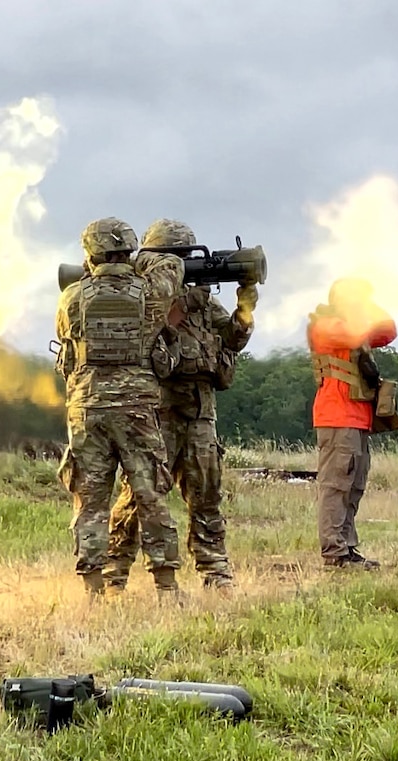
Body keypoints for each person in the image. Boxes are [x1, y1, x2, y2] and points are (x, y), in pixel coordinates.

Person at [104, 219, 258, 592]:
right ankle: (114, 572)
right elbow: (145, 347)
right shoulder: (147, 300)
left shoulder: (206, 304)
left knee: (207, 495)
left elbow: (234, 340)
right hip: (160, 414)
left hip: (201, 412)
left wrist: (245, 308)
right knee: (142, 495)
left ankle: (215, 572)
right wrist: (178, 306)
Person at [54, 217, 185, 598]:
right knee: (150, 494)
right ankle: (166, 584)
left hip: (87, 408)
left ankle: (94, 587)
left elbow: (67, 340)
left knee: (90, 499)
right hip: (136, 408)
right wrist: (143, 262)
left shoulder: (72, 296)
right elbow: (172, 266)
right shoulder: (150, 292)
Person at [307, 277, 397, 570]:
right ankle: (334, 552)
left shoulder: (354, 324)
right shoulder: (326, 325)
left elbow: (389, 330)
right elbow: (355, 334)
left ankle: (346, 547)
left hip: (358, 418)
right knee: (336, 486)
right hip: (337, 418)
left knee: (354, 485)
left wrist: (369, 301)